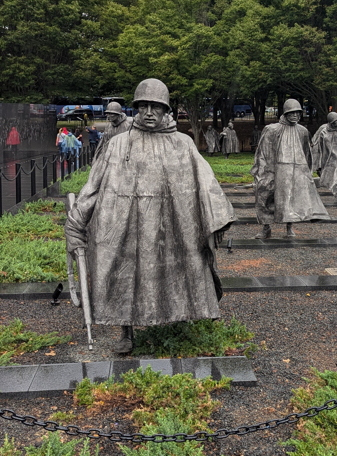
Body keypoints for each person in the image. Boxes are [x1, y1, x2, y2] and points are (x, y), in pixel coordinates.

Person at [64, 79, 234, 354]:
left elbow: (206, 182)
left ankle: (175, 318)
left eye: (156, 107)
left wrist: (217, 218)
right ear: (137, 108)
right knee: (125, 275)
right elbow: (94, 184)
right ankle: (126, 331)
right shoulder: (119, 144)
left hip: (171, 222)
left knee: (178, 267)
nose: (149, 113)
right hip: (127, 222)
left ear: (166, 109)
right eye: (144, 106)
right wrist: (75, 224)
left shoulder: (183, 143)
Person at [251, 99, 330, 238]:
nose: (295, 116)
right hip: (274, 169)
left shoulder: (302, 131)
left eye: (297, 113)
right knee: (265, 196)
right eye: (292, 113)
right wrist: (262, 171)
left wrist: (307, 173)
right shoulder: (272, 129)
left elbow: (307, 153)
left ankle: (289, 228)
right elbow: (264, 151)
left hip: (295, 171)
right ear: (285, 113)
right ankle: (266, 228)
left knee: (292, 199)